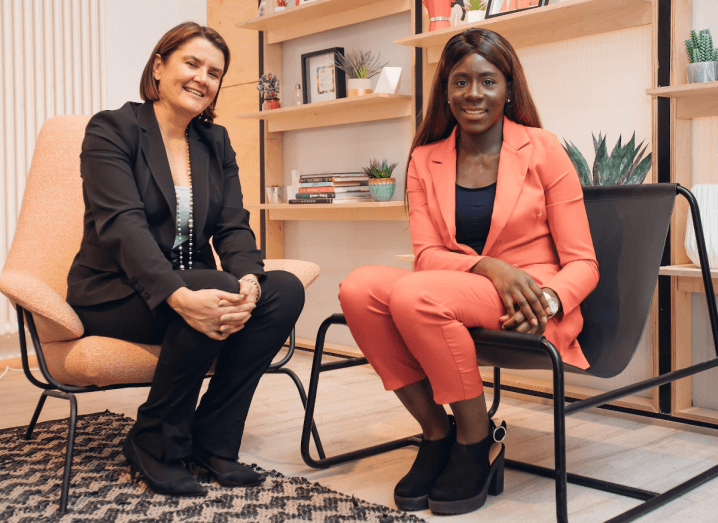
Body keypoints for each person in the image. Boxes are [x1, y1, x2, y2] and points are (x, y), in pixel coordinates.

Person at [339, 28, 599, 516]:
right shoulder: (424, 158)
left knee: (416, 296)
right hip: (460, 284)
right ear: (445, 90)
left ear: (508, 88)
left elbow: (584, 261)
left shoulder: (543, 149)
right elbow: (427, 255)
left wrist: (547, 300)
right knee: (358, 289)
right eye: (460, 82)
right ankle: (437, 433)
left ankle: (476, 442)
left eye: (487, 81)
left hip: (527, 298)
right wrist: (488, 266)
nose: (473, 94)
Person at [66, 22, 305, 497]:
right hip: (115, 290)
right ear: (159, 66)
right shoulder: (113, 129)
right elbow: (123, 226)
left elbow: (233, 226)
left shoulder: (215, 143)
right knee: (209, 283)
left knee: (283, 291)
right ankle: (154, 441)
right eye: (191, 63)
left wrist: (251, 281)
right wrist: (178, 293)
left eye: (214, 72)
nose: (202, 78)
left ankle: (212, 442)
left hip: (195, 282)